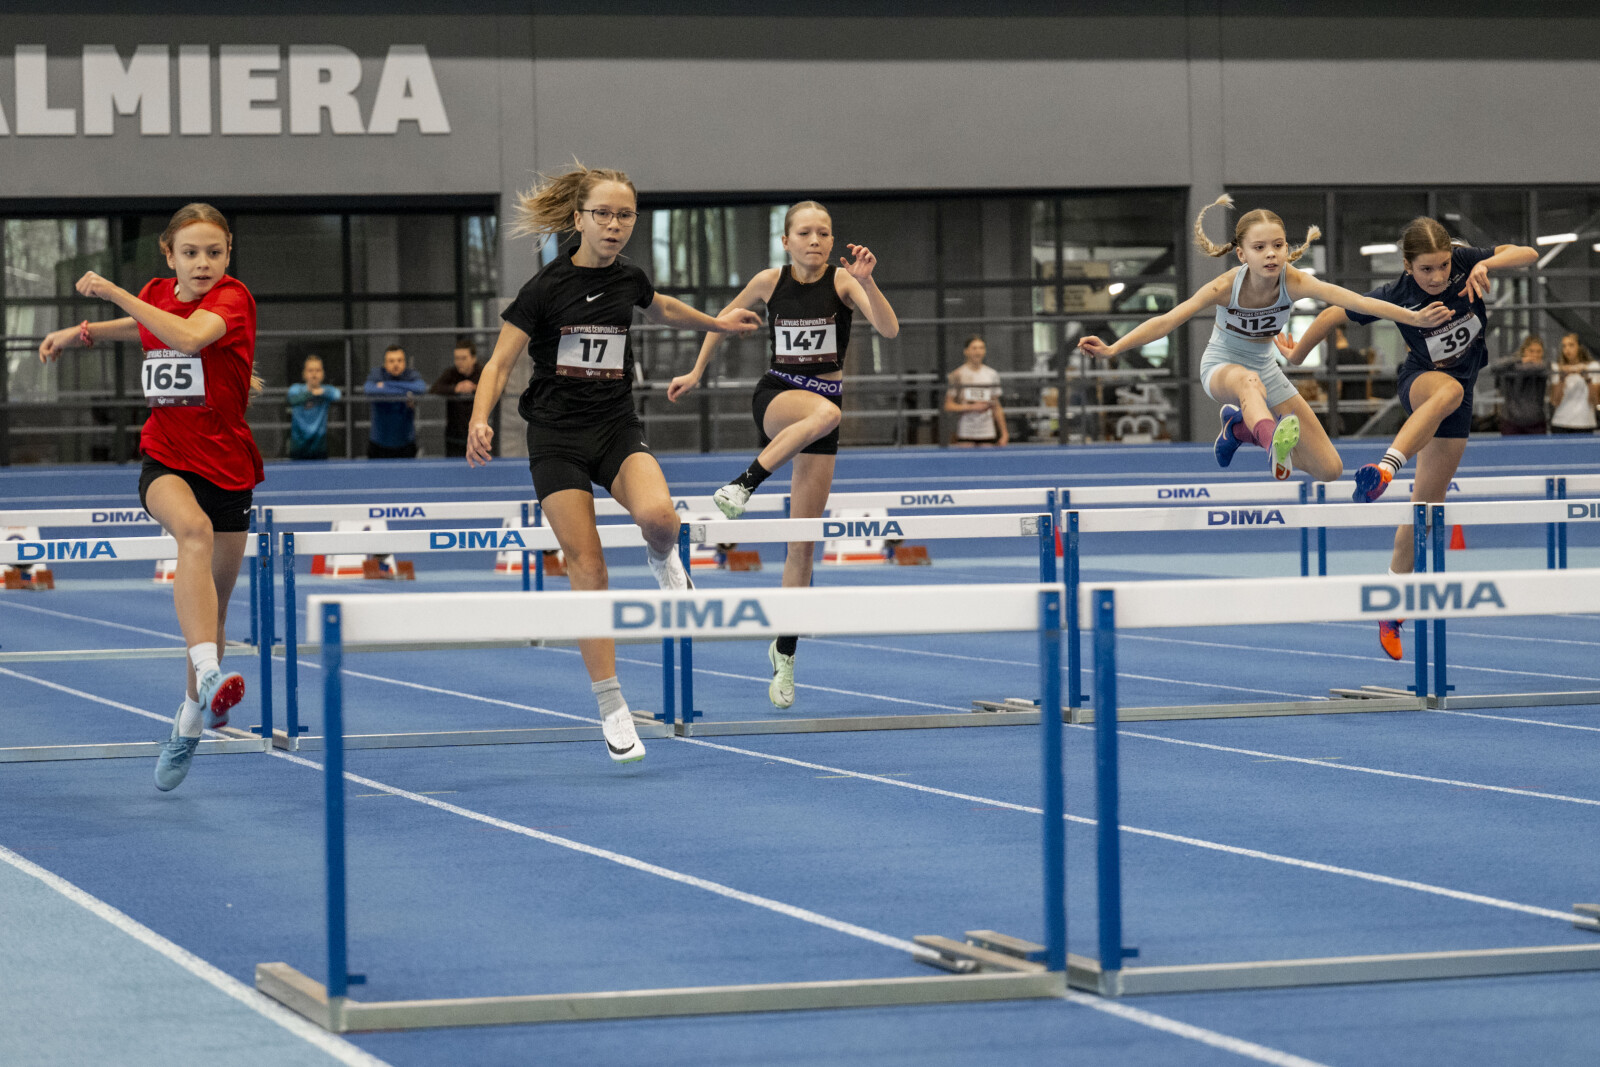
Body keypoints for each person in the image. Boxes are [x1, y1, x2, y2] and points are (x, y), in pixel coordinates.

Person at [464, 163, 760, 763]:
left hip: (615, 428)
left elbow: (663, 307)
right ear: (579, 220)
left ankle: (662, 558)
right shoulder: (544, 288)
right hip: (556, 438)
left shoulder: (630, 278)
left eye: (625, 215)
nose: (615, 225)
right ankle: (612, 704)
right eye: (603, 214)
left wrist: (718, 324)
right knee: (589, 564)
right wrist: (479, 418)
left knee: (661, 519)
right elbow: (498, 364)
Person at [38, 203, 263, 792]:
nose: (203, 263)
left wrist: (111, 292)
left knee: (214, 608)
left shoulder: (233, 300)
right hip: (166, 458)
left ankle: (189, 719)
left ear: (228, 254)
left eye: (214, 252)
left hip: (228, 468)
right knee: (193, 532)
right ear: (169, 255)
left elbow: (184, 336)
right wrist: (82, 332)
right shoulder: (156, 294)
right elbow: (145, 324)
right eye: (190, 253)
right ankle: (210, 674)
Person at [668, 201, 899, 709]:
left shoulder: (844, 282)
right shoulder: (769, 281)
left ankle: (785, 650)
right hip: (778, 396)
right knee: (827, 414)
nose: (815, 240)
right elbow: (719, 322)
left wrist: (869, 283)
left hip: (823, 409)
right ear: (786, 240)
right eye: (805, 232)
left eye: (824, 233)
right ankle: (744, 483)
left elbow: (889, 330)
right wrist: (697, 371)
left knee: (804, 543)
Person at [1286, 217, 1537, 658]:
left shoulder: (1463, 262)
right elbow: (1330, 313)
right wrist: (1296, 356)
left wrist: (1488, 265)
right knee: (1448, 390)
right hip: (1422, 382)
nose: (1437, 277)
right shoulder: (1396, 294)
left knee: (1425, 510)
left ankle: (1392, 607)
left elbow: (1528, 254)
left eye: (1443, 267)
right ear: (1407, 266)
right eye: (1426, 270)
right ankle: (1385, 469)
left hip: (1459, 397)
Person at [1077, 196, 1449, 482]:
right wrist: (1114, 347)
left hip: (1267, 370)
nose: (1271, 254)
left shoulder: (1296, 281)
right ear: (1241, 254)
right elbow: (1168, 319)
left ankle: (1239, 428)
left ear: (1287, 248)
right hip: (1222, 367)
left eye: (1278, 245)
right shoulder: (1225, 287)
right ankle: (1272, 444)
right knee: (1248, 382)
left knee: (1330, 469)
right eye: (1259, 248)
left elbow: (1360, 301)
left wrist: (1414, 317)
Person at [363, 344, 427, 458]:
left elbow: (420, 388)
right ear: (385, 364)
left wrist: (385, 386)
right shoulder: (377, 374)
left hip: (406, 444)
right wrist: (406, 391)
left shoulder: (410, 375)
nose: (396, 364)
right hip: (379, 444)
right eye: (391, 361)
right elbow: (369, 389)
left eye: (399, 360)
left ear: (405, 362)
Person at [944, 335, 1009, 447]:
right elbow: (948, 405)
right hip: (966, 431)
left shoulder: (991, 374)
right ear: (966, 351)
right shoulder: (957, 375)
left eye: (981, 348)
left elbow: (996, 406)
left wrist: (1004, 433)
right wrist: (972, 407)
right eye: (974, 348)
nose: (978, 352)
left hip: (987, 432)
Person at [430, 337, 487, 458]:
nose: (460, 362)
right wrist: (456, 388)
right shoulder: (451, 373)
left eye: (464, 358)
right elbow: (434, 389)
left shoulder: (483, 373)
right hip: (454, 434)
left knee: (479, 466)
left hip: (478, 434)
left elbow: (499, 389)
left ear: (473, 358)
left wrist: (475, 388)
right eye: (457, 358)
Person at [287, 354, 341, 459]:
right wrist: (311, 393)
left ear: (323, 374)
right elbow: (291, 398)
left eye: (318, 370)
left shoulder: (326, 391)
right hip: (298, 446)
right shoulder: (295, 389)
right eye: (310, 370)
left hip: (319, 447)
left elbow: (337, 394)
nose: (314, 374)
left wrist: (323, 392)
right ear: (304, 373)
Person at [1493, 335, 1548, 435]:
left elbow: (1538, 368)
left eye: (1538, 351)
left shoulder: (1544, 366)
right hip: (1511, 422)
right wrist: (1520, 360)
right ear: (1524, 351)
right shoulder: (1515, 363)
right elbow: (1495, 366)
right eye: (1531, 351)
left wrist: (1513, 369)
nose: (1535, 355)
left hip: (1536, 422)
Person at [1548, 332, 1599, 434]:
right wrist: (1562, 378)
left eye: (1571, 345)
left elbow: (1595, 401)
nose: (1567, 349)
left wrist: (1587, 379)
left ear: (1579, 347)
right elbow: (1555, 401)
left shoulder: (1593, 367)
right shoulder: (1557, 368)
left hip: (1585, 423)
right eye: (1564, 346)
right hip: (1560, 422)